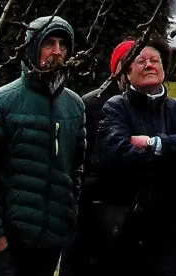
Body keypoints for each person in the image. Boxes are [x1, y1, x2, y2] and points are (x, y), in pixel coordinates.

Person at [0, 15, 87, 276]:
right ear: (32, 47)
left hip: (49, 248)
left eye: (63, 44)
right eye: (49, 43)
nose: (57, 51)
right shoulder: (0, 103)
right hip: (5, 251)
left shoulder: (74, 106)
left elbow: (76, 169)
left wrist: (67, 217)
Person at [88, 36, 176, 276]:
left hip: (167, 235)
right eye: (140, 61)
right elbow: (118, 155)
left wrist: (156, 143)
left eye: (155, 60)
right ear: (127, 72)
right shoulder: (115, 107)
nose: (149, 65)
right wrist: (175, 154)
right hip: (122, 233)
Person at [60, 39, 144, 276]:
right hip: (93, 204)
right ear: (116, 68)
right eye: (126, 63)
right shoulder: (93, 104)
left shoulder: (145, 106)